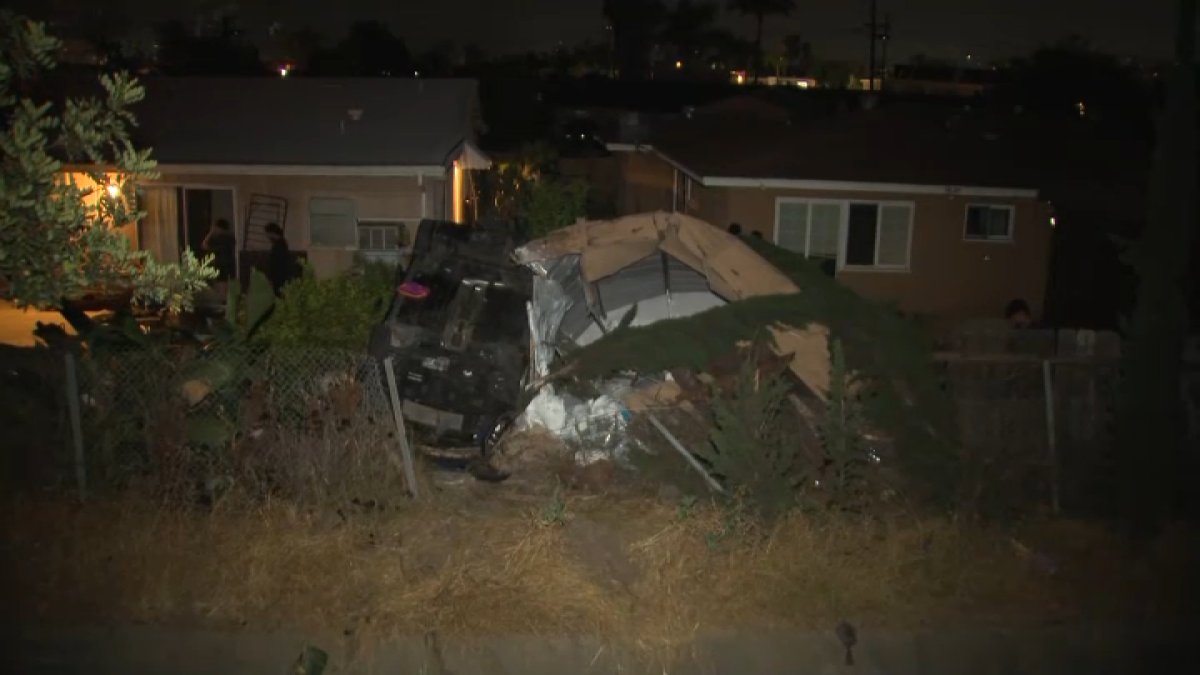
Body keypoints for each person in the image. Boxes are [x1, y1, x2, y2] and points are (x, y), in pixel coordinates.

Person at [201, 219, 236, 300]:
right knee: (226, 283)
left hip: (220, 264)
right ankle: (225, 299)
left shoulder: (217, 238)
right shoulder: (231, 236)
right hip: (228, 263)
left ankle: (223, 299)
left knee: (221, 284)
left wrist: (211, 233)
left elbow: (204, 245)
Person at [265, 222, 297, 295]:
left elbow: (277, 264)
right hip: (280, 278)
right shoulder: (281, 245)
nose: (267, 237)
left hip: (280, 279)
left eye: (268, 234)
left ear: (272, 233)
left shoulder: (279, 246)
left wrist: (273, 278)